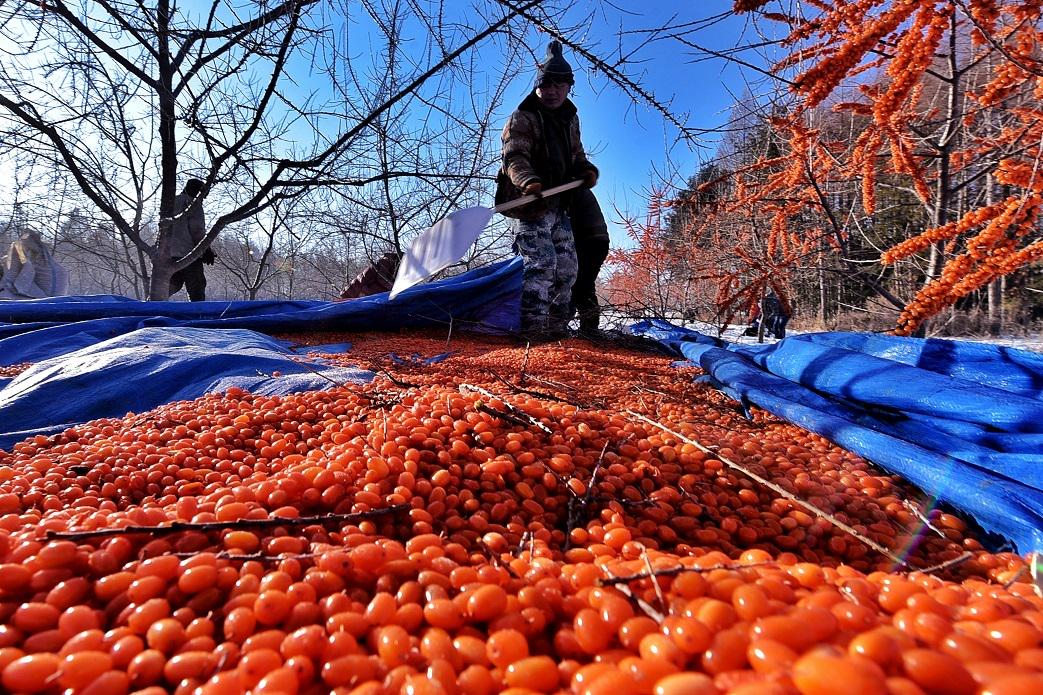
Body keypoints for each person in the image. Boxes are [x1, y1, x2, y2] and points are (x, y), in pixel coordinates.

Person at [496, 40, 598, 340]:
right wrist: (528, 181)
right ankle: (532, 334)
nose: (552, 91)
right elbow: (514, 157)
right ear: (537, 87)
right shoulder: (521, 118)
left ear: (568, 87)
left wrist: (587, 171)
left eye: (559, 84)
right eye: (546, 85)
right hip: (529, 205)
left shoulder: (570, 120)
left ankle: (556, 333)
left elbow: (577, 155)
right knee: (541, 265)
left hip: (560, 206)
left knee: (567, 269)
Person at [569, 188, 609, 337]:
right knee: (581, 285)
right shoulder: (574, 185)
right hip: (594, 240)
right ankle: (588, 329)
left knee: (580, 285)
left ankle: (589, 331)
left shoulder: (570, 186)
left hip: (589, 241)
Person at [168, 178, 214, 302]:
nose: (203, 199)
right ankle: (198, 317)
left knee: (169, 287)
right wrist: (206, 250)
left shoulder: (170, 202)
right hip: (188, 255)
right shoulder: (194, 204)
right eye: (203, 196)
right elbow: (197, 231)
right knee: (196, 290)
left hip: (167, 255)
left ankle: (149, 311)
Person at [0, 229, 69, 299]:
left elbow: (20, 279)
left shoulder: (20, 250)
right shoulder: (51, 263)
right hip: (56, 301)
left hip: (40, 300)